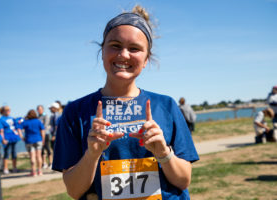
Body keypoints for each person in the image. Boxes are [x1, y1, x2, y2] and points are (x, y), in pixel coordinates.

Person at [52, 5, 199, 200]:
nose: (123, 54)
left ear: (146, 59)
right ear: (102, 50)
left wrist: (163, 153)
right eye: (115, 45)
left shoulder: (166, 106)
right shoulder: (75, 112)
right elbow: (74, 191)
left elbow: (183, 180)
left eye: (135, 49)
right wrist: (92, 155)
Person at [18, 109, 45, 176]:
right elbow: (43, 131)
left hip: (29, 141)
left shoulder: (26, 122)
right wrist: (43, 139)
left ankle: (33, 172)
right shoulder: (38, 121)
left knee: (32, 157)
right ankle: (40, 171)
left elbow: (19, 129)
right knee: (39, 156)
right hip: (38, 140)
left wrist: (22, 137)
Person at [0, 106, 23, 174]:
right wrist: (3, 139)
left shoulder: (12, 118)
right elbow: (0, 130)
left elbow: (17, 126)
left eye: (9, 110)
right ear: (3, 111)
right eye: (7, 110)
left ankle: (14, 168)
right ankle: (5, 168)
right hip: (6, 138)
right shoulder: (0, 120)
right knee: (6, 153)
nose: (8, 111)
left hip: (14, 138)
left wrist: (20, 135)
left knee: (14, 153)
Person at [37, 105, 52, 169]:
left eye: (40, 109)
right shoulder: (37, 117)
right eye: (38, 109)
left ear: (43, 109)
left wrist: (42, 131)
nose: (39, 110)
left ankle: (51, 163)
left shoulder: (46, 116)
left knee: (48, 148)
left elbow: (45, 125)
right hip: (39, 135)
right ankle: (44, 163)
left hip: (46, 134)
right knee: (42, 150)